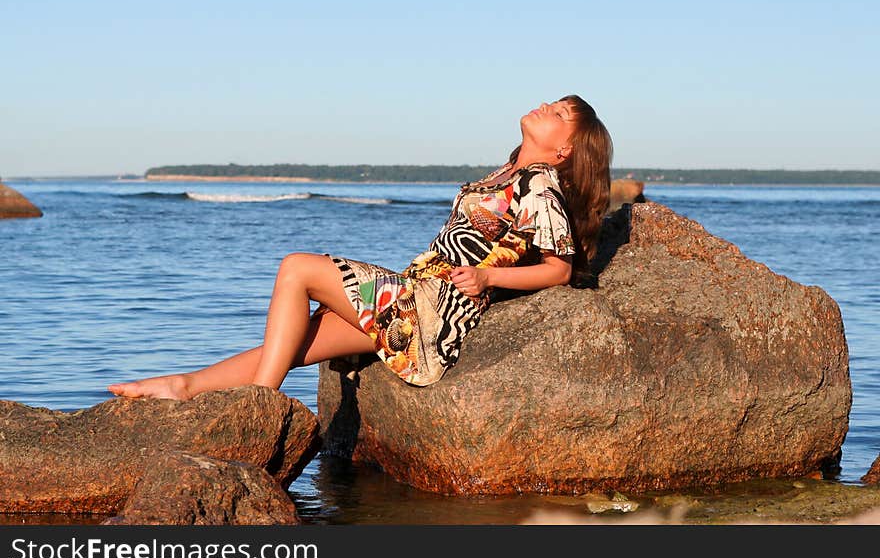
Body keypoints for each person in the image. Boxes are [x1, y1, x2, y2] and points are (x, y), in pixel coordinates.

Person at [107, 95, 612, 400]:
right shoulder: (509, 173)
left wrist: (489, 277)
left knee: (297, 268)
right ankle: (186, 386)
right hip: (416, 298)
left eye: (560, 113)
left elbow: (558, 271)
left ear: (565, 149)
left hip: (433, 314)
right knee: (292, 345)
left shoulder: (540, 189)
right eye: (553, 102)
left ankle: (259, 402)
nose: (546, 107)